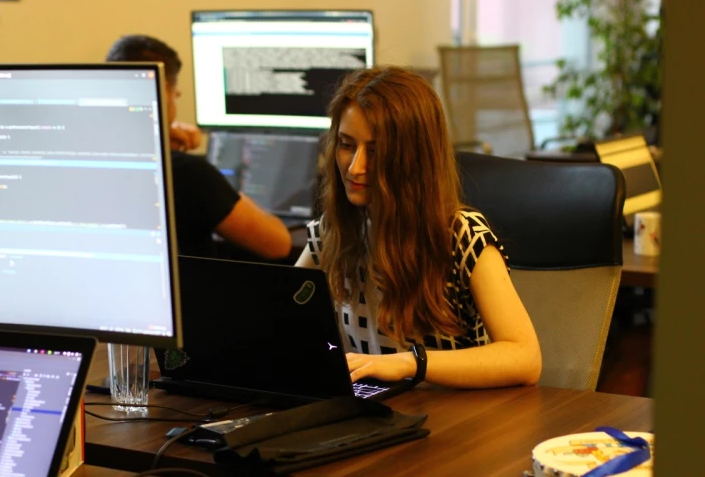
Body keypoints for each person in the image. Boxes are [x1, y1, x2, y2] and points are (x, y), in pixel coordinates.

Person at [296, 67, 542, 388]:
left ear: (411, 159)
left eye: (375, 151)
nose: (355, 167)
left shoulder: (462, 236)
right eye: (346, 145)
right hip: (376, 410)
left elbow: (525, 358)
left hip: (457, 412)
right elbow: (279, 316)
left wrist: (409, 363)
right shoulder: (333, 232)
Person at [106, 35, 291, 259]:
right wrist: (228, 193)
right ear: (163, 91)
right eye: (176, 95)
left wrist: (161, 133)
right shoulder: (188, 173)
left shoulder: (91, 155)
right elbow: (278, 245)